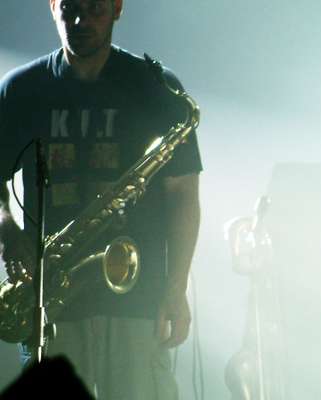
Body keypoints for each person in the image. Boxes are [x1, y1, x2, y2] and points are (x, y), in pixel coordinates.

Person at [0, 0, 202, 398]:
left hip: (137, 298)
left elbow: (183, 196)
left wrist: (175, 289)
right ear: (52, 6)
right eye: (70, 8)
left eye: (94, 8)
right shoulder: (21, 88)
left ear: (117, 8)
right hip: (50, 299)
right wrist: (8, 231)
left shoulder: (155, 87)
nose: (81, 20)